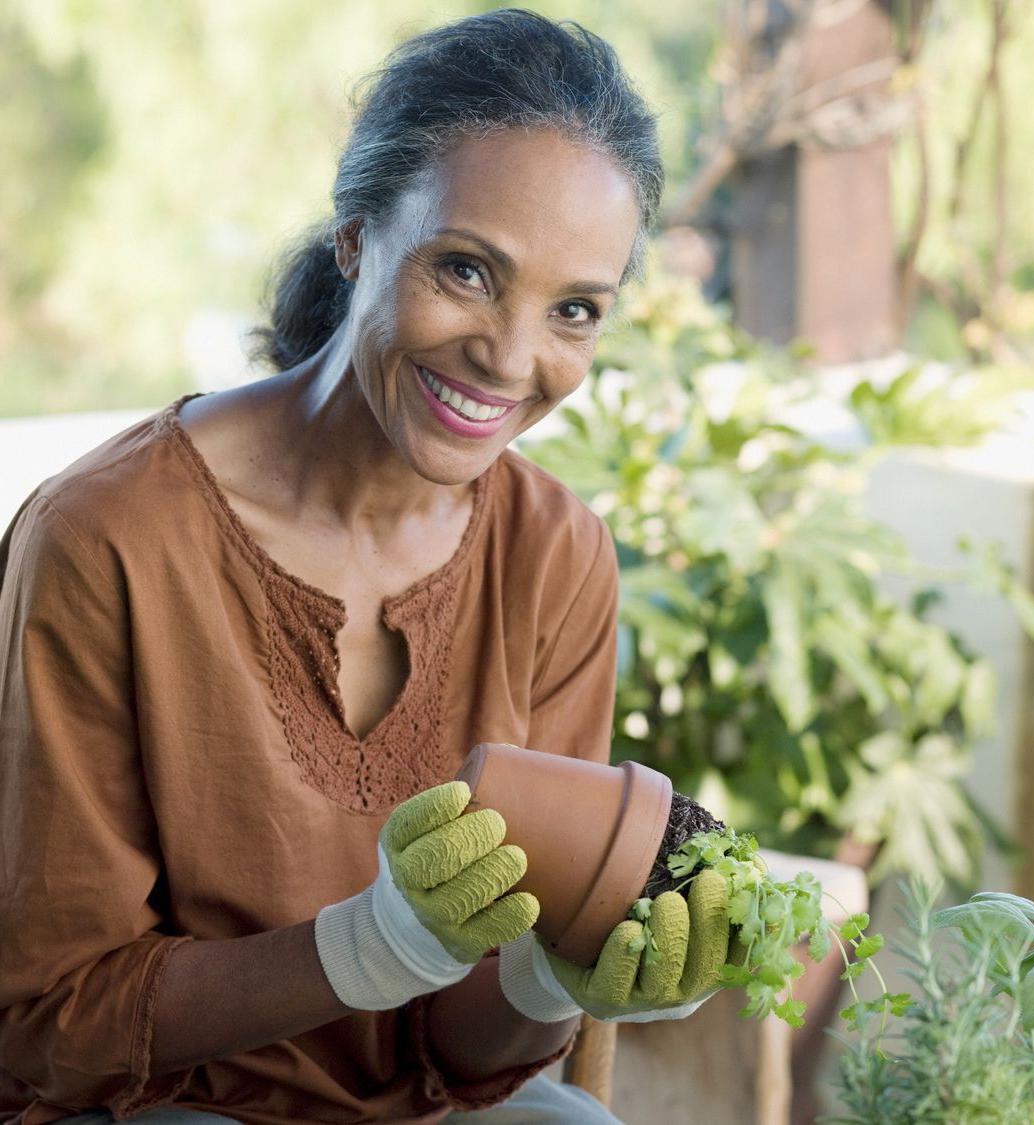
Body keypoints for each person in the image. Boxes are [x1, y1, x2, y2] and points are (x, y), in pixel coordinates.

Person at [0, 10, 734, 1123]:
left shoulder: (556, 555)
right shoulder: (106, 539)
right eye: (468, 270)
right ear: (355, 236)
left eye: (574, 310)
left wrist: (554, 976)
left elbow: (472, 1051)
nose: (509, 357)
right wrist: (367, 945)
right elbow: (54, 1021)